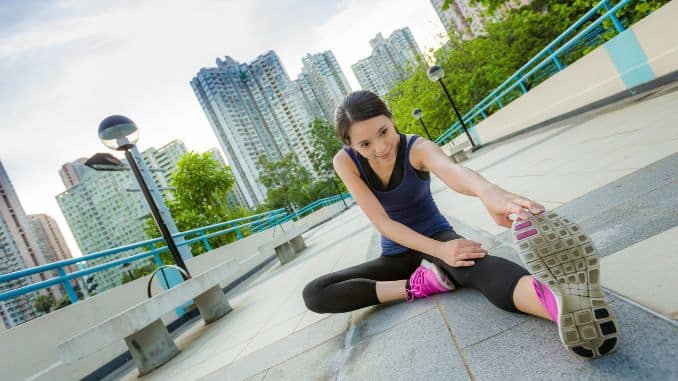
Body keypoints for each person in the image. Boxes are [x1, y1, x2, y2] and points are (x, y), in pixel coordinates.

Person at [302, 90, 618, 359]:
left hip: (438, 236)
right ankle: (420, 286)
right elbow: (383, 223)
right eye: (365, 145)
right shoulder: (345, 162)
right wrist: (438, 253)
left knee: (479, 267)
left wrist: (491, 194)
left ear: (391, 118)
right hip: (398, 255)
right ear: (350, 145)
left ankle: (561, 307)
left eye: (384, 132)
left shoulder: (417, 148)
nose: (380, 148)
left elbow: (455, 174)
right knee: (316, 293)